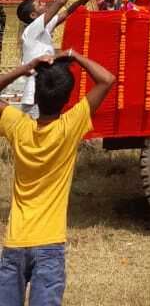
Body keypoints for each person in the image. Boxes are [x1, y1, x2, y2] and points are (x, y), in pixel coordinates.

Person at [0, 48, 115, 306]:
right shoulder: (68, 128)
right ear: (67, 100)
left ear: (36, 97)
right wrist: (73, 55)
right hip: (49, 245)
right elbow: (107, 80)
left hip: (15, 242)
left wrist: (26, 67)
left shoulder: (18, 127)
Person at [16, 0, 90, 116]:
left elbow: (65, 13)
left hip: (44, 92)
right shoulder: (32, 29)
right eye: (39, 4)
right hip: (35, 98)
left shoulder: (42, 28)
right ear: (33, 15)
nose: (44, 5)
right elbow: (60, 2)